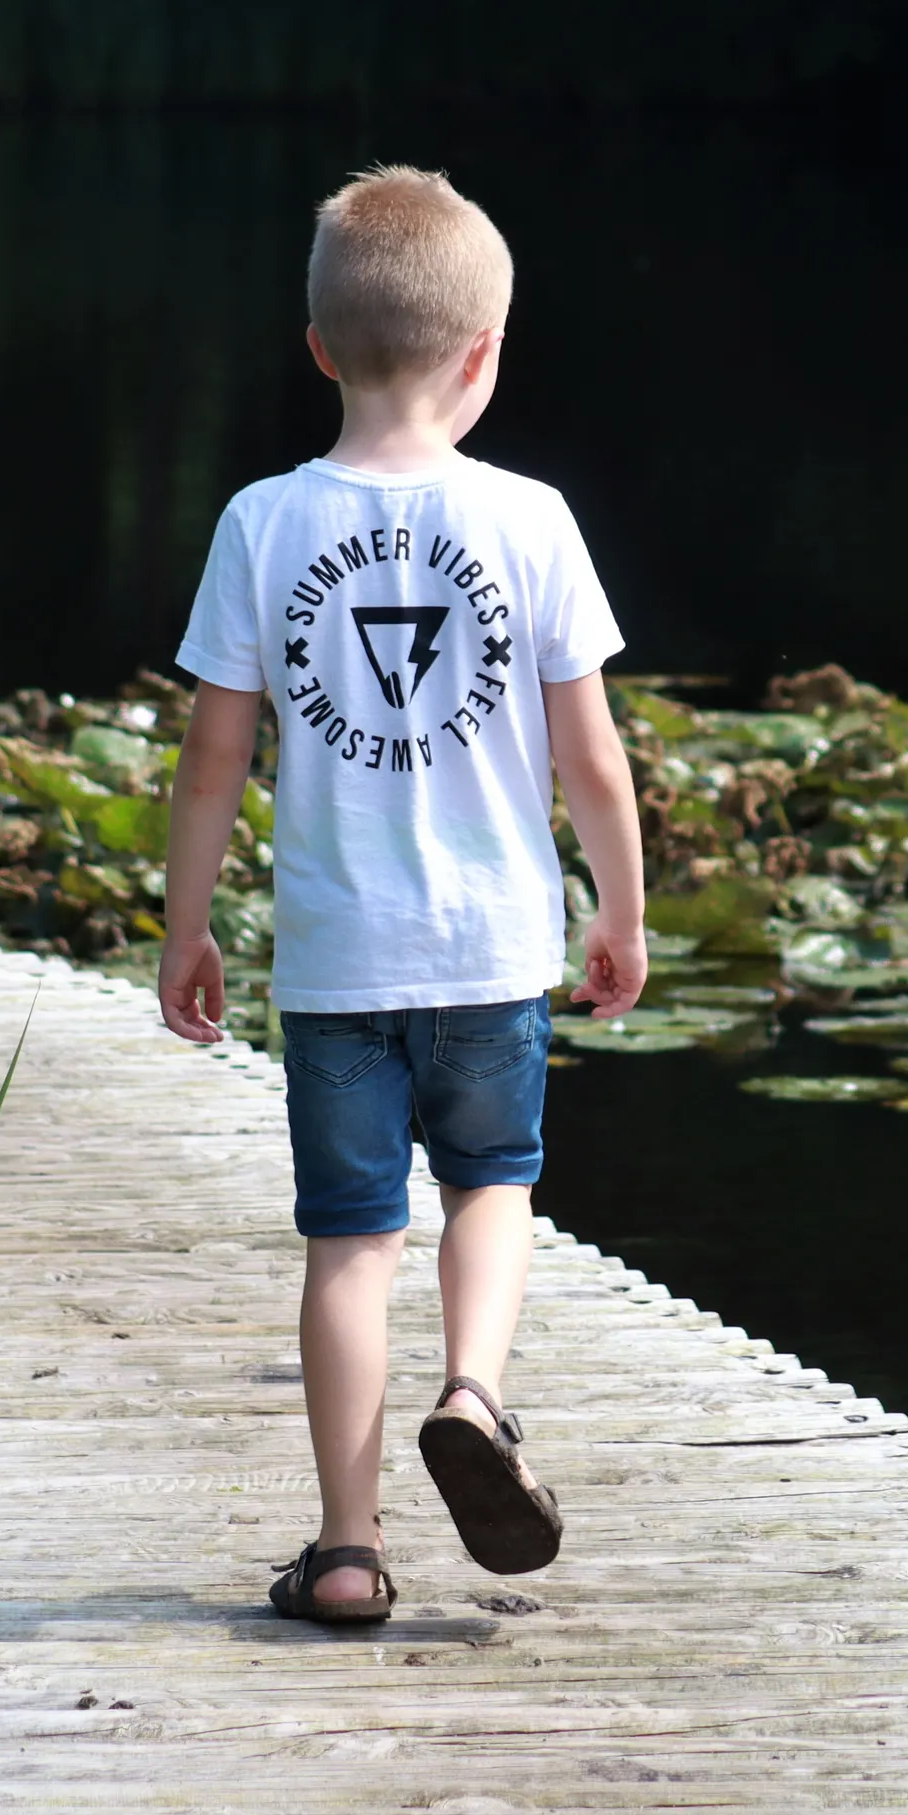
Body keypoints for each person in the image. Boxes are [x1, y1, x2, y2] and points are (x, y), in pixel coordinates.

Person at [159, 164, 648, 1626]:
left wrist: (187, 925)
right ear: (483, 355)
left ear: (317, 347)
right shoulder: (534, 520)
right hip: (493, 949)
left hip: (334, 966)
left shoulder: (263, 523)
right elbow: (593, 759)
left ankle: (351, 1550)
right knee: (492, 1186)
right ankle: (477, 1396)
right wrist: (619, 911)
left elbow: (209, 760)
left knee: (349, 1244)